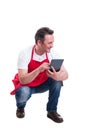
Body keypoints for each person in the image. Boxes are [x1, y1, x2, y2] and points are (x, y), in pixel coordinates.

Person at [10, 27, 68, 123]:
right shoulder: (24, 53)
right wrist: (39, 69)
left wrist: (57, 76)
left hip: (43, 83)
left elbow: (66, 74)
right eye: (49, 43)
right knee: (23, 92)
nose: (52, 46)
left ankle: (51, 111)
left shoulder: (53, 53)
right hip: (27, 84)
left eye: (52, 42)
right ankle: (20, 107)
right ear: (39, 43)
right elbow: (23, 80)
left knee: (57, 82)